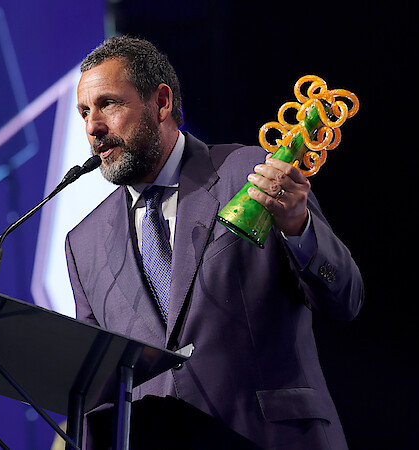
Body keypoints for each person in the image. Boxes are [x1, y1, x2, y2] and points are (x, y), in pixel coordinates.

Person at [65, 36, 363, 449]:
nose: (93, 127)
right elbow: (97, 389)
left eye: (108, 104)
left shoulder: (250, 171)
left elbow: (345, 297)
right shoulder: (84, 243)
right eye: (84, 112)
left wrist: (298, 226)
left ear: (162, 103)